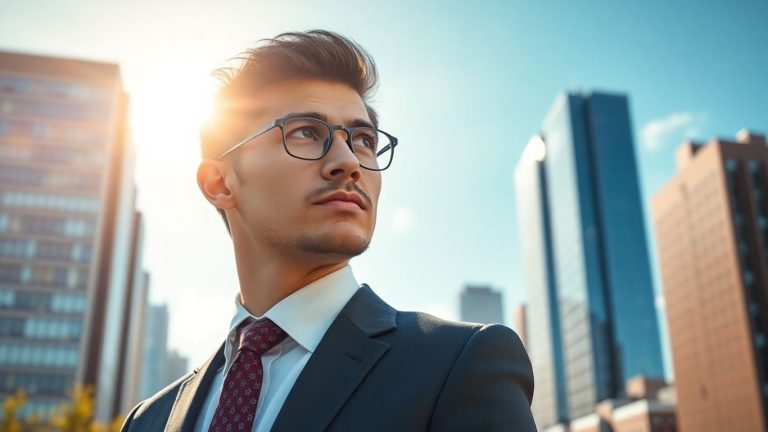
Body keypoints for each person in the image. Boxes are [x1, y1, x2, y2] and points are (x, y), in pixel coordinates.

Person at [121, 30, 535, 432]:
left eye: (364, 140)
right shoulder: (149, 420)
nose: (348, 161)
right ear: (220, 184)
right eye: (306, 131)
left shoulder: (460, 366)